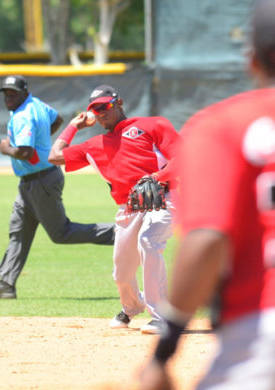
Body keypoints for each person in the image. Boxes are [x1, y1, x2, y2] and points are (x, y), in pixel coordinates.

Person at [117, 0, 275, 390]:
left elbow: (208, 240)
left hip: (265, 331)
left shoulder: (223, 126)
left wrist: (163, 357)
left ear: (252, 60)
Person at [48, 85, 181, 334]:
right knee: (122, 271)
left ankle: (162, 316)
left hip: (164, 198)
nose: (100, 113)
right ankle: (132, 307)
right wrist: (74, 126)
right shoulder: (95, 144)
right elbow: (55, 156)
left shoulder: (152, 125)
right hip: (128, 208)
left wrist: (157, 177)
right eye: (95, 110)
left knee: (149, 242)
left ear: (119, 103)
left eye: (105, 106)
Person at [0, 75, 115, 299]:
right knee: (19, 233)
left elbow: (25, 152)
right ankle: (6, 284)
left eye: (13, 93)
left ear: (23, 93)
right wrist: (43, 141)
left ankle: (119, 233)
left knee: (61, 233)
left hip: (41, 181)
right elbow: (57, 118)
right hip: (32, 181)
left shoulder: (23, 116)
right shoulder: (36, 104)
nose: (8, 97)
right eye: (5, 93)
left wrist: (5, 149)